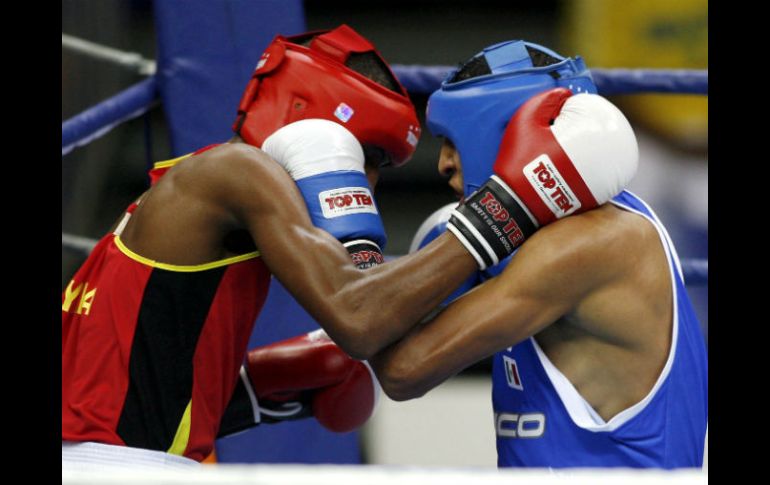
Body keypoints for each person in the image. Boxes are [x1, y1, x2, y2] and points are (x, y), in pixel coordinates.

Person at [62, 24, 636, 470]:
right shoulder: (237, 172)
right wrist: (514, 204)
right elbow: (360, 319)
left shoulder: (200, 187)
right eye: (372, 157)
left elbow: (124, 384)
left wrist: (262, 390)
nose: (371, 183)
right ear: (312, 126)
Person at [365, 40, 708, 468]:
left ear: (508, 135)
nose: (444, 165)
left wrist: (350, 237)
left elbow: (402, 370)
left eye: (455, 141)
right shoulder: (550, 237)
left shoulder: (590, 244)